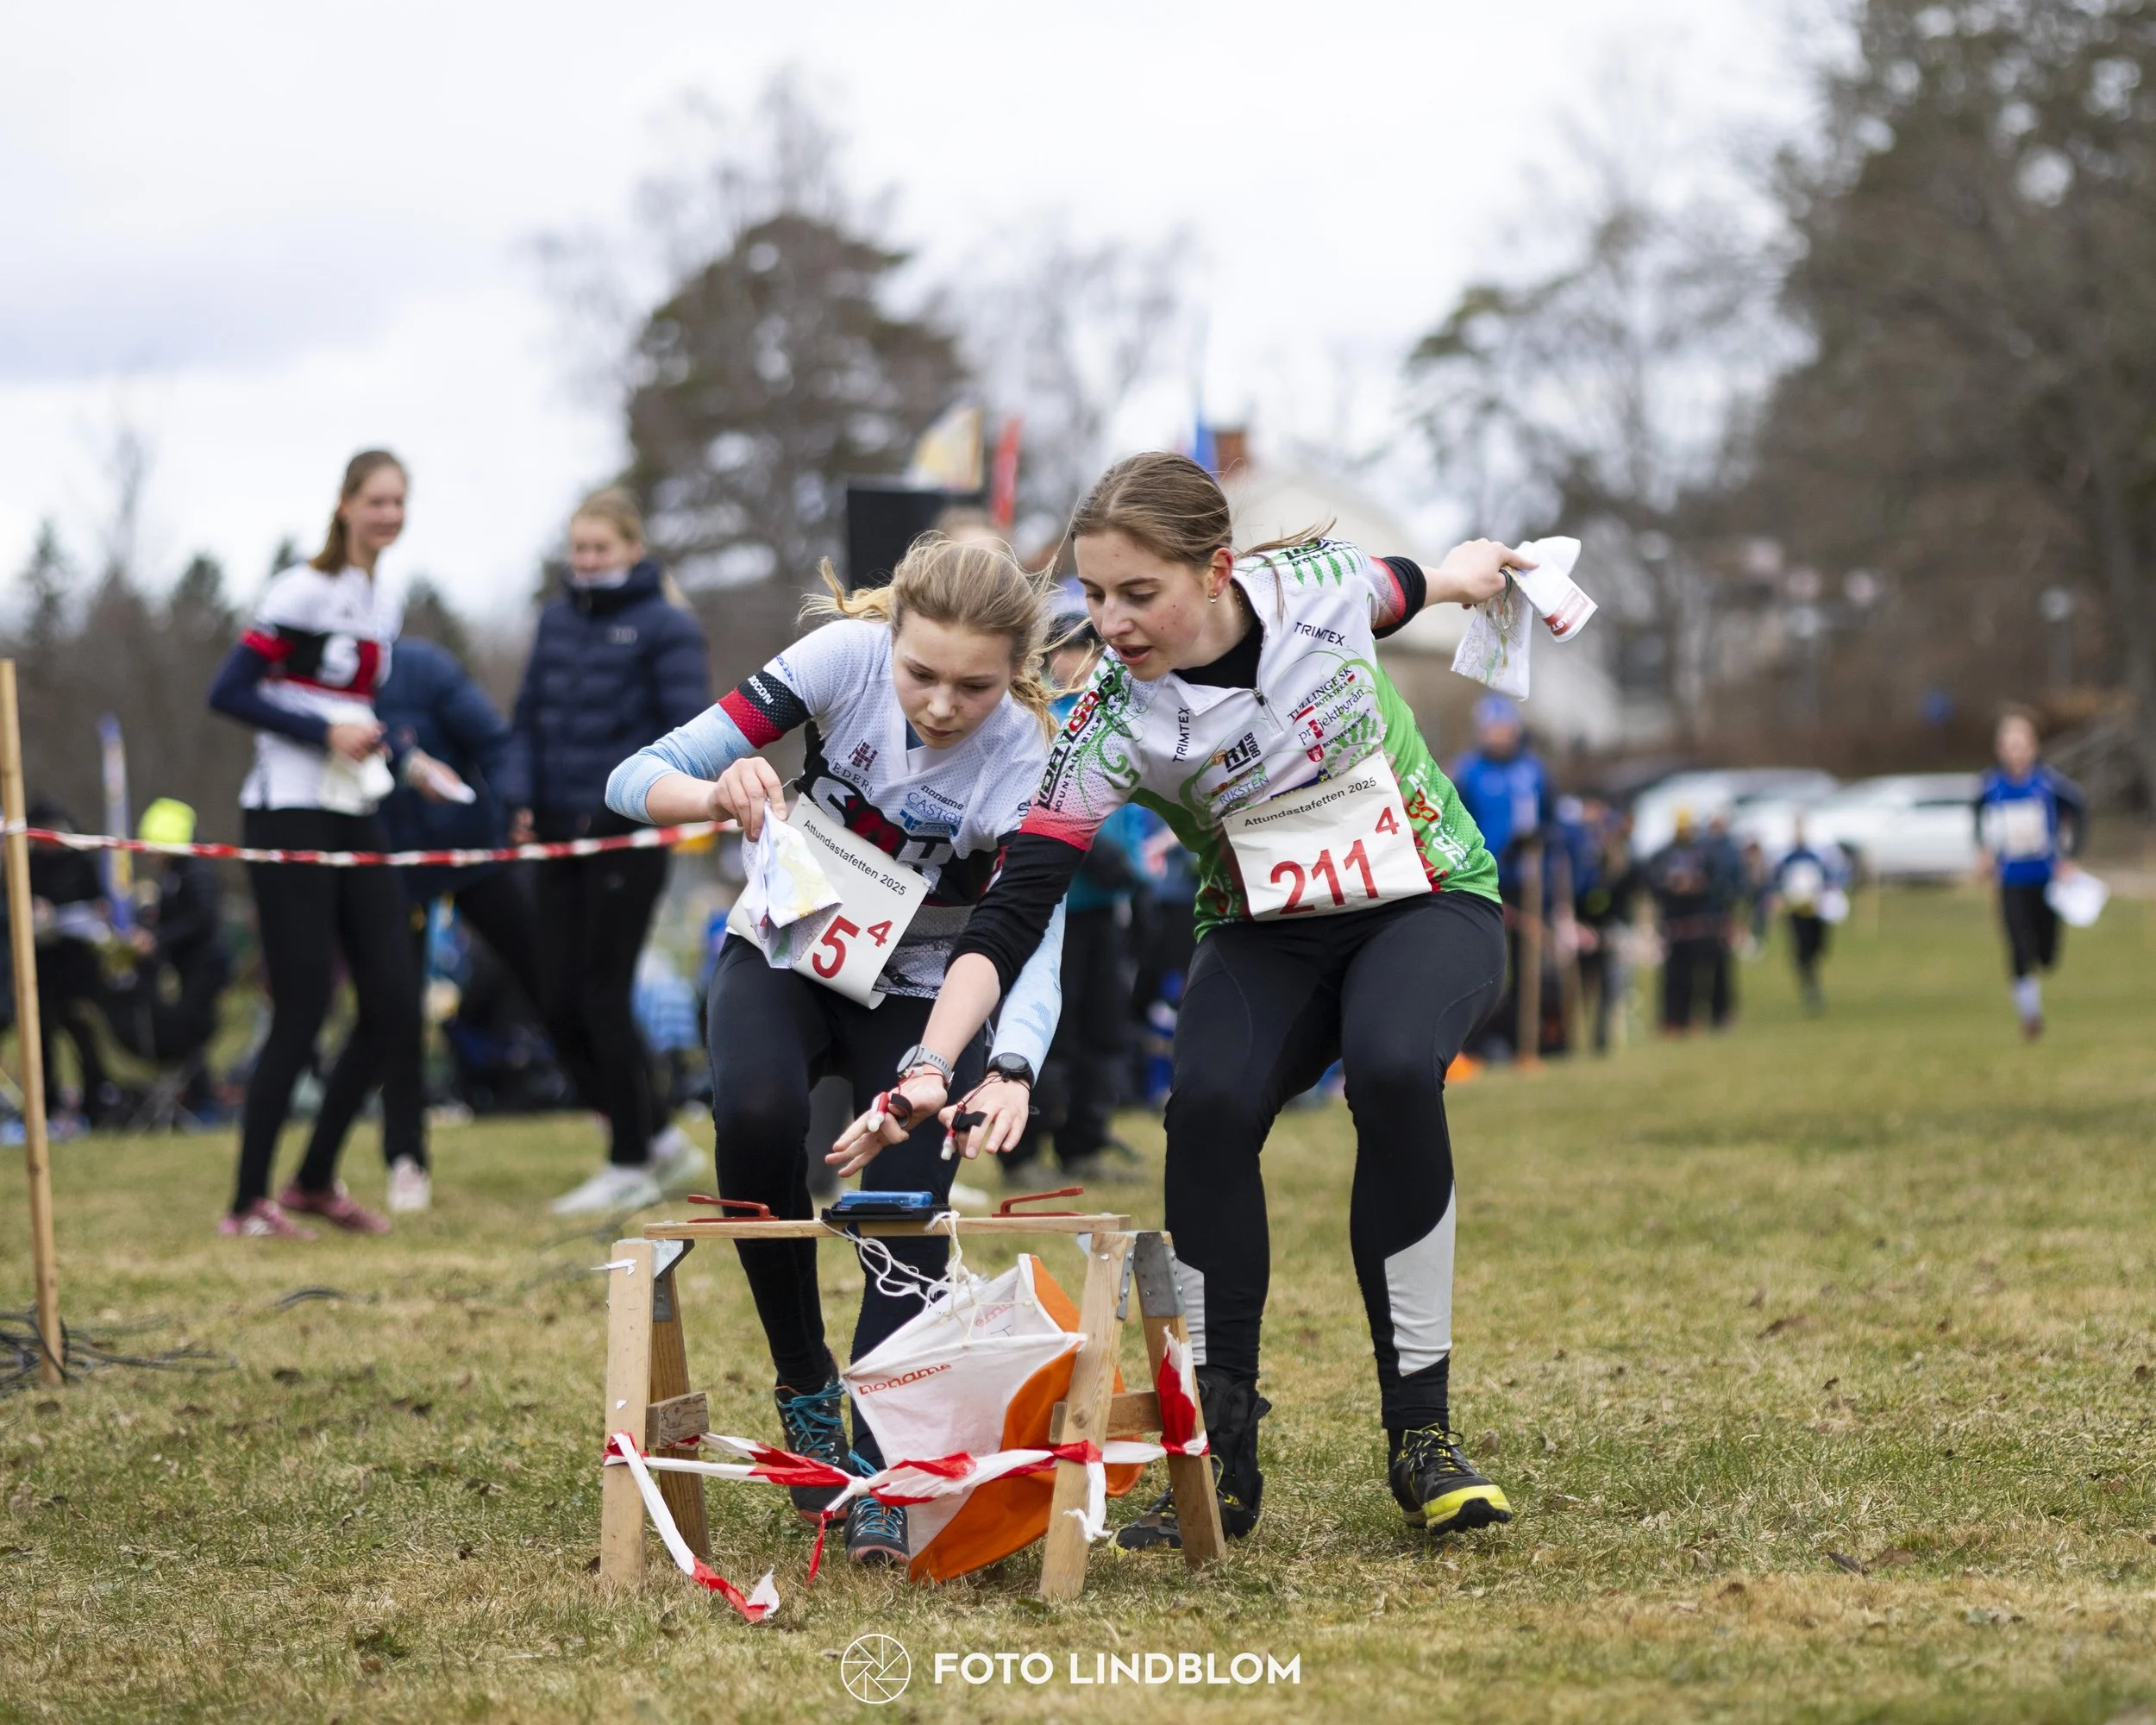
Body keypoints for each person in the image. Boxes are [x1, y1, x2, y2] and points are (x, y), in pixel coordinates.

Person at [833, 452, 1524, 1548]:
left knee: (1394, 1068)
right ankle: (1216, 1453)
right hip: (1262, 931)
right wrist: (929, 1060)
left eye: (1138, 593)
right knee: (1205, 1107)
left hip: (1425, 898)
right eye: (1093, 593)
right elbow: (1011, 912)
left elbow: (1406, 585)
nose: (1110, 622)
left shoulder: (1317, 588)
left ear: (1216, 570)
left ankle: (1422, 1434)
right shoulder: (1109, 722)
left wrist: (1469, 573)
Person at [606, 531, 1069, 1565]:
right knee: (756, 1113)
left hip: (926, 991)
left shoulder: (1027, 757)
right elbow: (633, 778)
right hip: (790, 946)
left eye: (975, 685)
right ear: (888, 634)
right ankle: (804, 1376)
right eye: (921, 673)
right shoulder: (841, 661)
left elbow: (1036, 935)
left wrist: (1010, 1062)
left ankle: (875, 1460)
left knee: (901, 1206)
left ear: (1016, 671)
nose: (941, 704)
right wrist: (717, 792)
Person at [206, 449, 469, 1238]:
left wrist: (409, 762)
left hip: (356, 808)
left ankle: (314, 1180)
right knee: (304, 1004)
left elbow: (355, 714)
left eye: (399, 501)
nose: (389, 514)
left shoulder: (382, 599)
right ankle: (245, 1202)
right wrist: (323, 734)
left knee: (393, 1001)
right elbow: (230, 692)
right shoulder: (302, 590)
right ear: (346, 504)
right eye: (376, 500)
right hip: (287, 812)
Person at [500, 487, 712, 1214]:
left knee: (602, 995)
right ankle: (656, 1136)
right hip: (557, 837)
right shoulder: (555, 621)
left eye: (601, 548)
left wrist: (633, 800)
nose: (587, 561)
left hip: (627, 835)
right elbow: (527, 719)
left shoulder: (668, 628)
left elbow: (688, 732)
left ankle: (629, 1159)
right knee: (556, 998)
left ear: (632, 549)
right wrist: (518, 795)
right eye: (579, 549)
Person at [305, 635, 544, 1212]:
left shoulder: (425, 667)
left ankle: (626, 1114)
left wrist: (515, 804)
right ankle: (405, 1158)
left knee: (546, 968)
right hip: (386, 870)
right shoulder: (317, 684)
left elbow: (494, 741)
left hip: (470, 849)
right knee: (393, 1015)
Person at [999, 613, 1146, 1190]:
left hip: (1110, 905)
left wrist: (1136, 877)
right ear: (1049, 656)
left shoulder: (1119, 711)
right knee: (1046, 1034)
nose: (1086, 660)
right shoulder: (1037, 718)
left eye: (1095, 649)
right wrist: (1096, 853)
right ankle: (1022, 1151)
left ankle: (1084, 1143)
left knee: (1104, 1031)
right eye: (1073, 649)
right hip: (1052, 908)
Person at [109, 798, 230, 1119]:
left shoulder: (197, 871)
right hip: (187, 968)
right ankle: (200, 1098)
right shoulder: (175, 873)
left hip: (206, 968)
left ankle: (204, 1101)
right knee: (188, 1037)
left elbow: (201, 918)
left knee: (189, 1032)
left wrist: (158, 939)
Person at [1973, 709, 2088, 1040]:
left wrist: (2071, 856)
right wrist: (1983, 852)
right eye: (2010, 746)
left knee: (2047, 956)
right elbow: (1977, 817)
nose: (2016, 752)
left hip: (2047, 879)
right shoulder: (1991, 785)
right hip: (2011, 879)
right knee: (2018, 947)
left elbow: (2080, 809)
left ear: (2033, 747)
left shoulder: (2048, 783)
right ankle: (2031, 1016)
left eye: (2021, 745)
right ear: (2000, 749)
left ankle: (2038, 975)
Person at [1450, 693, 1549, 1059]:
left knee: (1527, 964)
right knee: (1484, 964)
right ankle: (1475, 1046)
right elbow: (1455, 822)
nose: (1500, 736)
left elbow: (1551, 819)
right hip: (1483, 880)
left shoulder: (1533, 770)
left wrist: (1538, 839)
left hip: (1527, 882)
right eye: (1493, 729)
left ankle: (1524, 1041)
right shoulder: (1468, 773)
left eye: (1505, 728)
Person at [26, 799, 117, 1129]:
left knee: (82, 1032)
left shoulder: (81, 859)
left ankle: (97, 1101)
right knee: (41, 1037)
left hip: (77, 966)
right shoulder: (30, 863)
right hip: (42, 966)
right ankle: (46, 1105)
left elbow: (100, 905)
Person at [1646, 807, 1720, 1033]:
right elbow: (1653, 883)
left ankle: (1692, 1018)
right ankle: (1672, 1019)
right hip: (1673, 923)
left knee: (1696, 974)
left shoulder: (1702, 853)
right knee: (1672, 976)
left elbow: (1714, 882)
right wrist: (1671, 886)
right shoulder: (1663, 854)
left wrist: (1697, 885)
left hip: (1696, 923)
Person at [1769, 816, 1848, 1013]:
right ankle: (1810, 987)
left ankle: (1811, 977)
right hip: (1796, 912)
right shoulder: (1787, 860)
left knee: (1818, 949)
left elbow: (1829, 879)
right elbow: (1777, 883)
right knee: (1802, 951)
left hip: (1816, 911)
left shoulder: (1814, 858)